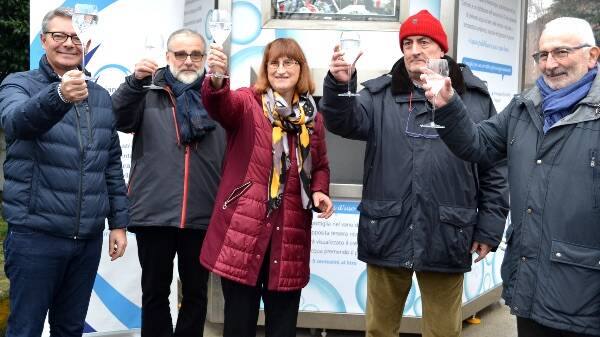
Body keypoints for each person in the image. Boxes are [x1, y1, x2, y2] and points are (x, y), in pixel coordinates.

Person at [319, 9, 509, 337]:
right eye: (407, 42)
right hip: (388, 230)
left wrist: (490, 227)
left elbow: (494, 168)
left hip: (448, 233)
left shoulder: (474, 98)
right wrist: (338, 86)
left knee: (442, 332)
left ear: (442, 50)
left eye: (424, 41)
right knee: (379, 329)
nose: (414, 49)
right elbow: (343, 121)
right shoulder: (378, 96)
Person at [429, 17, 600, 337]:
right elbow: (477, 145)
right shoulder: (525, 106)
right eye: (542, 55)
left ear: (592, 56)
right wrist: (449, 106)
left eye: (561, 52)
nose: (550, 64)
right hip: (529, 286)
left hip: (586, 299)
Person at [0, 7, 129, 337]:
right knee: (25, 329)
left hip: (85, 241)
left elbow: (110, 163)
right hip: (34, 236)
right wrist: (58, 95)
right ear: (44, 40)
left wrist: (118, 223)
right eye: (59, 36)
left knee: (70, 329)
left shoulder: (99, 95)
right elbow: (16, 122)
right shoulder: (19, 84)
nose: (68, 43)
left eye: (75, 37)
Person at [199, 38, 334, 337]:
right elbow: (219, 104)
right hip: (243, 233)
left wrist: (320, 190)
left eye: (289, 62)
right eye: (274, 63)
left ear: (301, 69)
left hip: (290, 236)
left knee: (282, 329)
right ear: (265, 68)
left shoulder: (313, 119)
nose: (281, 69)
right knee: (238, 327)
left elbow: (320, 165)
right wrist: (217, 79)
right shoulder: (248, 102)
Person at [111, 29, 225, 337]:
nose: (188, 61)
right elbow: (115, 116)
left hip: (203, 213)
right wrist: (133, 82)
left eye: (196, 55)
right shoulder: (146, 90)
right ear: (167, 57)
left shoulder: (218, 96)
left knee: (196, 296)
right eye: (180, 54)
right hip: (154, 212)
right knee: (155, 293)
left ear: (205, 57)